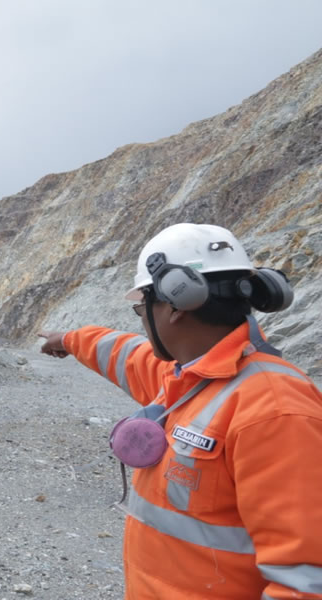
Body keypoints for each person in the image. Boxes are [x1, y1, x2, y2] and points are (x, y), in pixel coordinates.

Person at [38, 223, 322, 599]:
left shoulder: (275, 411)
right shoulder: (187, 378)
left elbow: (305, 582)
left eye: (142, 307)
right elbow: (127, 355)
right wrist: (70, 340)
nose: (141, 319)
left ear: (174, 305)